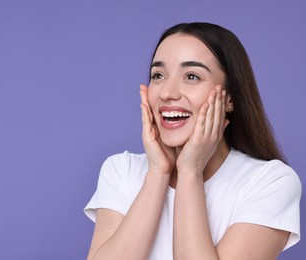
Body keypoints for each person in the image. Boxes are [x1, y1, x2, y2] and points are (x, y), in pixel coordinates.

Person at [84, 22, 301, 260]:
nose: (167, 93)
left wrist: (189, 171)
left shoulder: (270, 182)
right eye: (158, 75)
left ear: (230, 99)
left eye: (191, 76)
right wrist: (158, 173)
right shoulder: (120, 170)